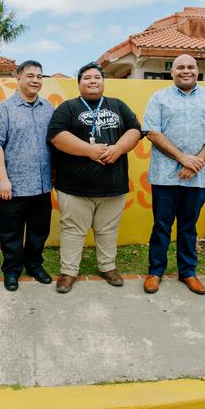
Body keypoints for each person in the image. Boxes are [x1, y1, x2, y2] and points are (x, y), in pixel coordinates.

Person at [48, 62, 142, 294]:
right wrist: (89, 150)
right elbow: (56, 136)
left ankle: (107, 267)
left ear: (103, 81)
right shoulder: (67, 108)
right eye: (87, 78)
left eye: (97, 77)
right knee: (72, 230)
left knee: (108, 230)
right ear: (79, 83)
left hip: (112, 185)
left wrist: (118, 148)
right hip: (74, 187)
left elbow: (135, 130)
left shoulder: (118, 105)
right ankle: (68, 272)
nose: (92, 81)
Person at [142, 54, 205, 295]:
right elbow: (152, 132)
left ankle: (188, 272)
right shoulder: (159, 97)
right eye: (180, 67)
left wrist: (196, 162)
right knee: (161, 225)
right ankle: (155, 271)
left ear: (197, 70)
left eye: (190, 67)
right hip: (164, 176)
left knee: (188, 227)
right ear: (172, 71)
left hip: (198, 176)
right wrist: (183, 159)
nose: (186, 71)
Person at [0, 60, 55, 292]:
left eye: (39, 76)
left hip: (43, 185)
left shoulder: (48, 108)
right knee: (11, 232)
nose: (35, 80)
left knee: (39, 231)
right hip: (12, 186)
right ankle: (12, 270)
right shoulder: (4, 109)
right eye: (30, 75)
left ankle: (34, 265)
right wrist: (3, 179)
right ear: (18, 78)